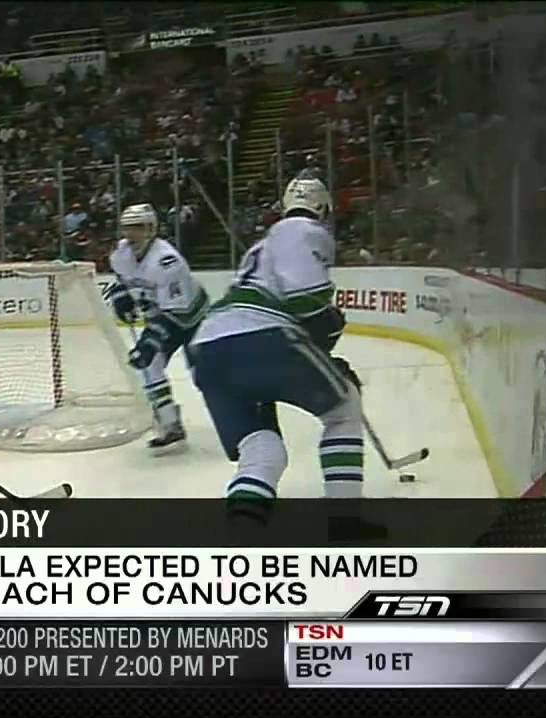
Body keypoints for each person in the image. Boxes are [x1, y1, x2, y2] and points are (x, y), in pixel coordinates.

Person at [189, 172, 364, 502]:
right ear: (323, 209)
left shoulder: (264, 243)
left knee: (263, 449)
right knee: (344, 407)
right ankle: (345, 517)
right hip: (261, 337)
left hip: (209, 348)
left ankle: (243, 524)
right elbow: (305, 299)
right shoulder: (305, 230)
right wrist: (329, 329)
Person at [107, 204, 209, 454]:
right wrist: (121, 297)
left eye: (138, 228)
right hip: (161, 317)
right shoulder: (122, 254)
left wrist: (149, 342)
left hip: (193, 319)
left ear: (151, 229)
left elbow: (174, 313)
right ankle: (170, 424)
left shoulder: (166, 261)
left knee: (205, 376)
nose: (131, 234)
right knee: (150, 366)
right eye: (127, 228)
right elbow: (122, 280)